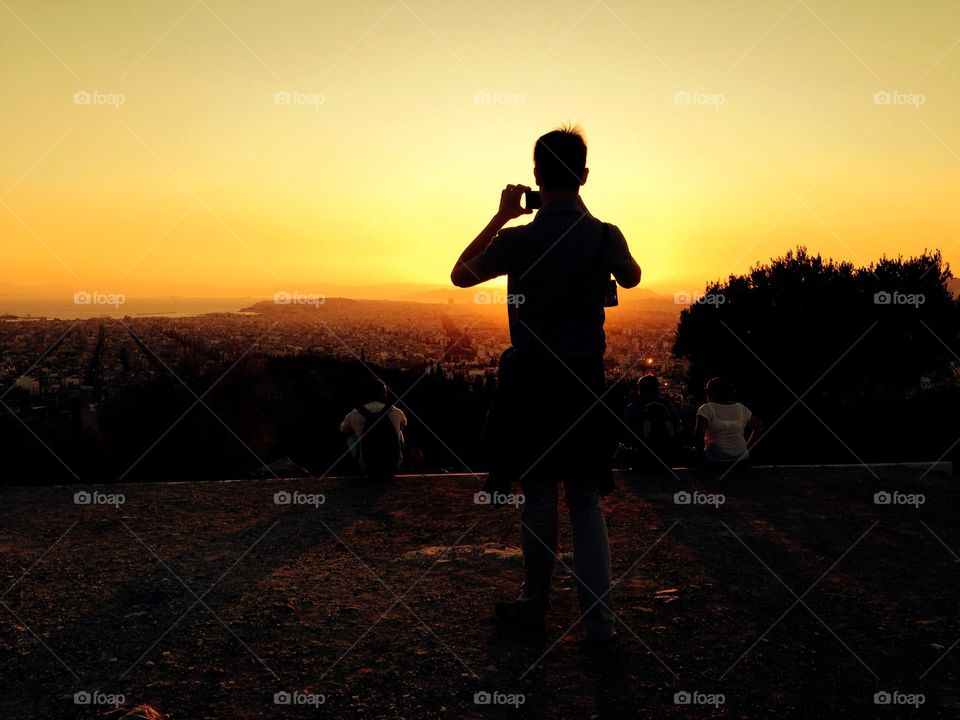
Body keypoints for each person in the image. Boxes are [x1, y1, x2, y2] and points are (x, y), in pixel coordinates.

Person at [451, 125, 642, 651]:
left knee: (538, 496)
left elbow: (460, 274)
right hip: (585, 381)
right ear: (583, 175)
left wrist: (502, 216)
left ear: (536, 176)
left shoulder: (517, 240)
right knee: (585, 499)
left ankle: (534, 606)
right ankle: (599, 624)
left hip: (532, 382)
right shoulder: (605, 235)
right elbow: (632, 277)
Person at [340, 378, 407, 479]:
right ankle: (402, 463)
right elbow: (404, 425)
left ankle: (352, 469)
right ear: (384, 393)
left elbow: (343, 430)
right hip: (392, 468)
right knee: (399, 432)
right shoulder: (396, 412)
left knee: (351, 436)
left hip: (367, 468)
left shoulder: (355, 414)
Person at [693, 377, 763, 465]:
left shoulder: (706, 409)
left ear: (711, 392)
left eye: (707, 391)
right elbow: (759, 427)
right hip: (741, 460)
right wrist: (746, 449)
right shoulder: (741, 408)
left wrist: (701, 456)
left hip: (715, 460)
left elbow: (699, 435)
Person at [621, 374, 682, 469]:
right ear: (657, 389)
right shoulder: (669, 406)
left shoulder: (633, 407)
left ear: (640, 390)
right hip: (667, 458)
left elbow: (626, 434)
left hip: (642, 458)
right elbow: (678, 429)